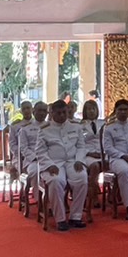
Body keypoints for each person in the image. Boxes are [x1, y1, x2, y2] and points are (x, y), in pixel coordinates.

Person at [34, 99, 88, 230]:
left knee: (82, 178)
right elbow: (40, 151)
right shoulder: (45, 130)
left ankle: (75, 216)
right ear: (52, 113)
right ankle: (60, 219)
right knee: (56, 181)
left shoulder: (76, 126)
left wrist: (79, 160)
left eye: (64, 112)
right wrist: (49, 165)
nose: (62, 115)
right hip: (54, 163)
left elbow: (81, 146)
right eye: (59, 113)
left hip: (72, 161)